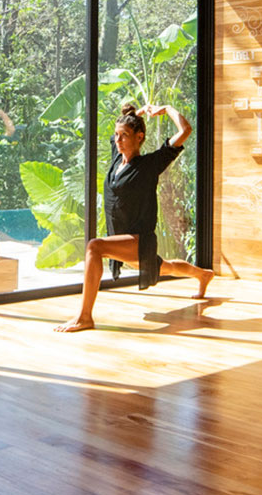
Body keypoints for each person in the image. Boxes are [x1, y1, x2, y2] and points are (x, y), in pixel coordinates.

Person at [55, 101, 213, 332]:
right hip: (120, 241)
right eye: (116, 135)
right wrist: (134, 114)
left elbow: (185, 131)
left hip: (139, 240)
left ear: (139, 137)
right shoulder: (117, 159)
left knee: (94, 246)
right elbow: (123, 130)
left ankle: (84, 317)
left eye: (124, 136)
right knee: (165, 267)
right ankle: (203, 275)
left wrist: (166, 109)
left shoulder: (150, 164)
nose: (118, 140)